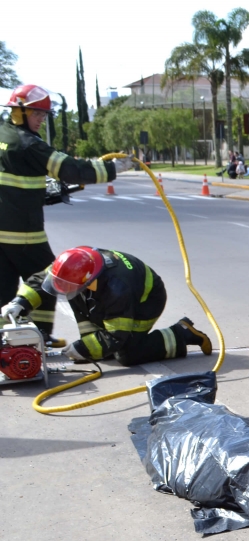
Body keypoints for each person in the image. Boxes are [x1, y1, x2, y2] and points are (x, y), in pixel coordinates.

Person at [1, 84, 132, 344]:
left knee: (4, 290)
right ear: (20, 112)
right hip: (24, 234)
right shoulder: (28, 144)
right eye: (37, 114)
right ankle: (40, 337)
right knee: (50, 281)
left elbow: (15, 184)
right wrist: (113, 169)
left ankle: (10, 343)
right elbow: (69, 168)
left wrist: (42, 195)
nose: (40, 120)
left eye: (43, 115)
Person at [1, 246, 212, 366]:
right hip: (109, 291)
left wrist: (82, 348)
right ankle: (96, 346)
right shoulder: (74, 263)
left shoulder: (117, 289)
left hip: (145, 301)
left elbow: (115, 335)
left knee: (127, 354)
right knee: (76, 296)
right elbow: (44, 280)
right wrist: (20, 303)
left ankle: (181, 334)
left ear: (88, 280)